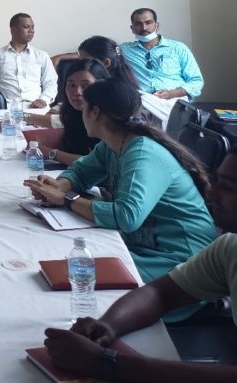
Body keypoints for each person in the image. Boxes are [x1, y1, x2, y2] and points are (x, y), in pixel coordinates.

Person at [42, 150, 237, 383]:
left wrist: (107, 362)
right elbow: (160, 294)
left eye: (228, 187)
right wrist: (107, 327)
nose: (211, 195)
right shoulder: (230, 247)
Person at [24, 78, 215, 284]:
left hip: (181, 259)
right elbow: (81, 171)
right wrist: (60, 185)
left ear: (95, 112)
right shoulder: (115, 143)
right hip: (144, 246)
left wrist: (67, 199)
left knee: (76, 275)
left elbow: (127, 216)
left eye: (84, 108)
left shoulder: (142, 154)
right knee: (66, 259)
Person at [27, 59, 111, 166]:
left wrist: (51, 153)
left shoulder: (109, 119)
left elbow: (99, 164)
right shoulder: (75, 113)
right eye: (72, 85)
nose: (77, 92)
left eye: (86, 86)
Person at [120, 8, 204, 100]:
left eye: (148, 22)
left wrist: (172, 93)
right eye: (138, 24)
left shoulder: (178, 48)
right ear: (132, 28)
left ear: (157, 25)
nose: (144, 28)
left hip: (175, 103)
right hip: (141, 104)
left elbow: (196, 81)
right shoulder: (124, 50)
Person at [0, 13, 57, 108]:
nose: (31, 31)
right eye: (26, 27)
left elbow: (50, 82)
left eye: (32, 27)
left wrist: (44, 99)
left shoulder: (42, 56)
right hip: (5, 107)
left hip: (36, 107)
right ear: (13, 29)